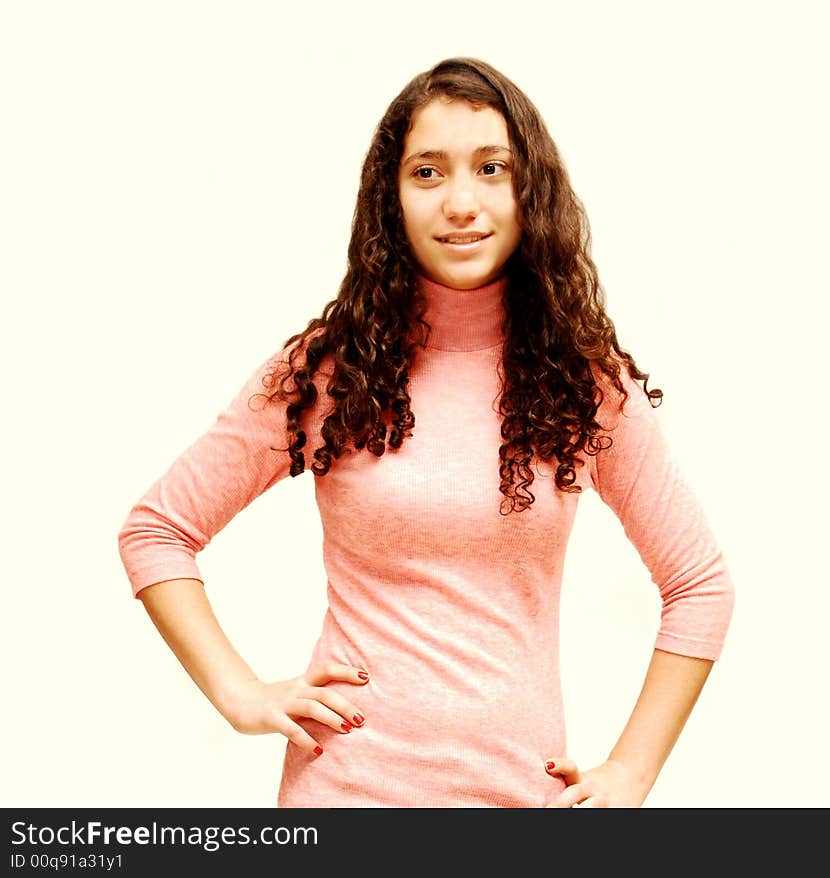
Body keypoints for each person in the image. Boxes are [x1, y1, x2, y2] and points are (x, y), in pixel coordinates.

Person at [117, 56, 735, 809]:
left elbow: (699, 585)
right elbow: (156, 529)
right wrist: (239, 694)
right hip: (344, 796)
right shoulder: (328, 370)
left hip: (517, 802)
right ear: (393, 198)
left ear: (528, 189)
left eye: (491, 167)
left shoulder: (583, 383)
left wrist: (632, 772)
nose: (461, 203)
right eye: (429, 173)